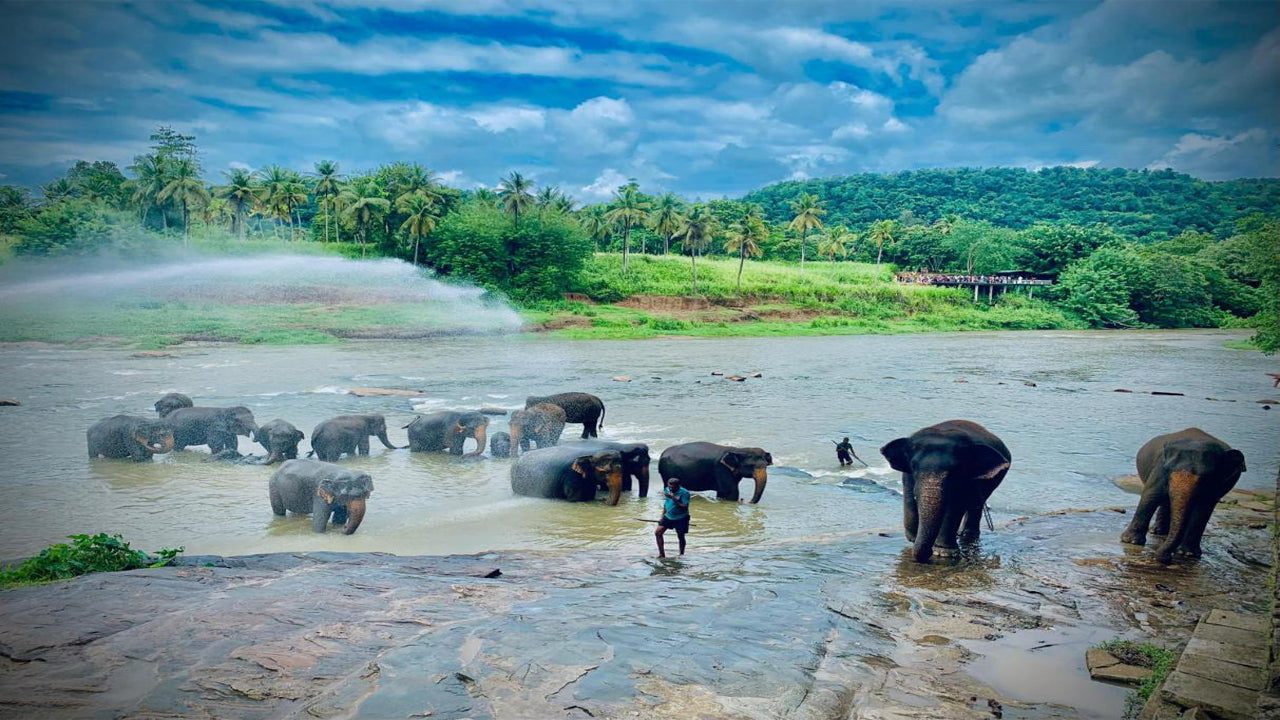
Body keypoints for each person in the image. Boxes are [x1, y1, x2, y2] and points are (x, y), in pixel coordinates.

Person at [655, 476, 691, 558]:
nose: (670, 489)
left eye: (673, 487)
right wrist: (662, 516)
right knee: (658, 532)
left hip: (681, 517)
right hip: (668, 516)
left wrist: (673, 498)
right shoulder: (667, 489)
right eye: (669, 486)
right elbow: (666, 504)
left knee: (681, 536)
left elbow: (684, 506)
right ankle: (661, 554)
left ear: (678, 486)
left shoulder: (685, 493)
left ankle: (681, 554)